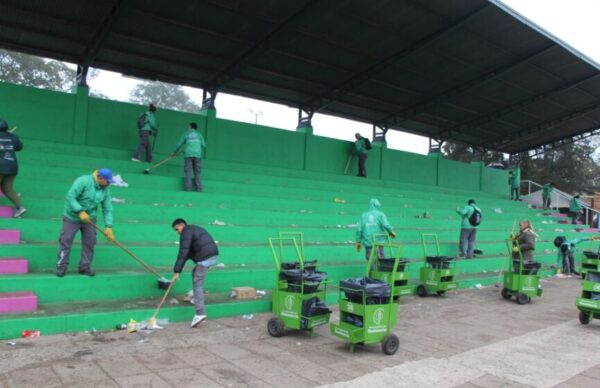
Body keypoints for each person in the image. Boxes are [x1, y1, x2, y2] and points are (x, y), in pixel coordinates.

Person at [56, 169, 115, 277]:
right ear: (100, 178)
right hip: (72, 217)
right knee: (66, 241)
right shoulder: (83, 181)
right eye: (108, 181)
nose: (109, 183)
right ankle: (62, 266)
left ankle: (85, 267)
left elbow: (107, 209)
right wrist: (79, 211)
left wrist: (109, 226)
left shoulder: (105, 190)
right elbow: (70, 196)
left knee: (90, 242)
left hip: (89, 219)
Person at [172, 218, 219, 328]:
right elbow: (188, 253)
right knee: (195, 273)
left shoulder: (185, 232)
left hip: (206, 256)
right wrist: (179, 269)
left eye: (176, 229)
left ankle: (200, 313)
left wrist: (177, 271)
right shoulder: (192, 229)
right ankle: (196, 298)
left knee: (198, 281)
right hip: (212, 254)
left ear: (181, 225)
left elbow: (183, 252)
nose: (176, 232)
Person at [356, 199, 396, 271]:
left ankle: (371, 278)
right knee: (380, 260)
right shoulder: (380, 214)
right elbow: (385, 224)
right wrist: (391, 231)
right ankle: (380, 278)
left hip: (368, 242)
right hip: (378, 242)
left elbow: (359, 229)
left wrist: (358, 241)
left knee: (370, 261)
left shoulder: (364, 215)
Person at [0, 119, 26, 218]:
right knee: (8, 189)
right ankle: (20, 208)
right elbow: (19, 147)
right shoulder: (13, 137)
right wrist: (10, 137)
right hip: (12, 166)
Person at [172, 122, 206, 192]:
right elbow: (204, 145)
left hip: (188, 154)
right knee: (197, 172)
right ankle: (199, 189)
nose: (188, 127)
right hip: (197, 155)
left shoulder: (186, 134)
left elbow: (179, 144)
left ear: (190, 127)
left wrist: (174, 153)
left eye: (188, 126)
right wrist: (196, 147)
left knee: (188, 171)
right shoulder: (199, 134)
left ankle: (188, 188)